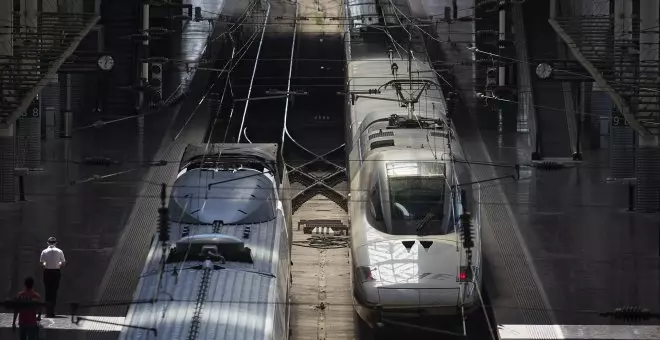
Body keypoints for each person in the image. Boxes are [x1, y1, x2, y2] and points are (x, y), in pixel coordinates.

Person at [40, 237, 65, 317]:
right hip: (56, 272)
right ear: (55, 243)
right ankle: (52, 311)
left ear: (48, 243)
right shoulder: (59, 251)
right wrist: (58, 264)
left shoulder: (44, 251)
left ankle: (48, 311)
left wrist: (46, 265)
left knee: (47, 291)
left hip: (47, 272)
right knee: (54, 291)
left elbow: (42, 263)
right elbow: (63, 262)